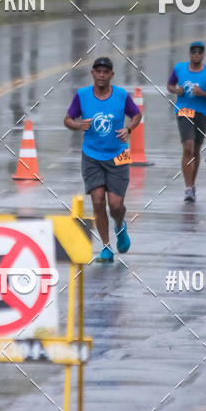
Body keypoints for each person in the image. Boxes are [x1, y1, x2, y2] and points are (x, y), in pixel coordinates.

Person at [64, 56, 142, 262]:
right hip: (91, 156)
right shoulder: (82, 96)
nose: (101, 75)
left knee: (115, 205)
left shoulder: (121, 96)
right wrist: (78, 125)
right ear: (92, 74)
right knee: (98, 201)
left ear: (111, 75)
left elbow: (136, 115)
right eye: (97, 71)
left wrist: (128, 128)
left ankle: (119, 225)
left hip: (118, 156)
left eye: (105, 72)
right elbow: (68, 119)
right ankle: (106, 247)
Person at [167, 41, 206, 202]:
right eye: (194, 52)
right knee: (188, 147)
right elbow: (170, 85)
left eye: (200, 52)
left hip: (202, 113)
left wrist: (203, 94)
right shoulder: (179, 68)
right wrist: (175, 90)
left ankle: (192, 184)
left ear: (203, 55)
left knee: (196, 150)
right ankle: (188, 188)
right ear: (190, 54)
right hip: (184, 111)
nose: (196, 55)